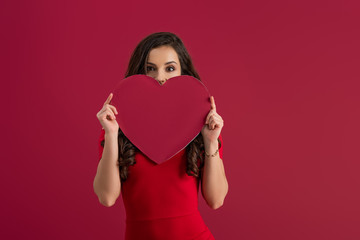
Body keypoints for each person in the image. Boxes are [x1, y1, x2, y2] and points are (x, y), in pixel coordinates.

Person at [93, 32, 228, 240]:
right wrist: (111, 134)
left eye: (170, 68)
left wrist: (211, 141)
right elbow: (106, 197)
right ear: (139, 72)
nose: (160, 77)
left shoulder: (201, 128)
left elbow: (216, 200)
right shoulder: (118, 128)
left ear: (183, 72)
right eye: (150, 69)